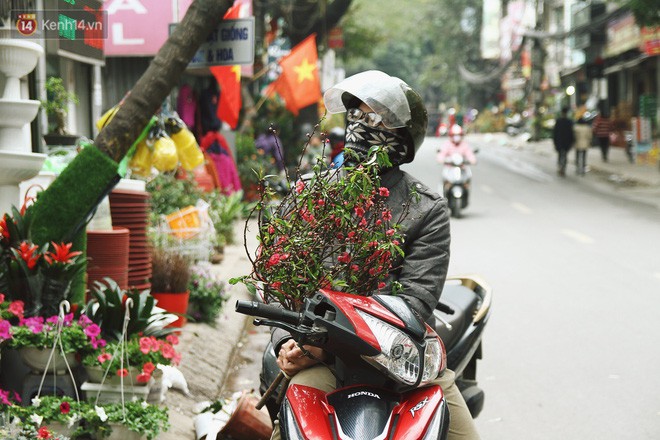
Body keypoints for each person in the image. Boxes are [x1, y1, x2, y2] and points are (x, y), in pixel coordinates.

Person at [268, 70, 479, 439]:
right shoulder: (310, 195)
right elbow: (282, 283)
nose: (360, 127)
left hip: (400, 360)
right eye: (355, 117)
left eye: (375, 119)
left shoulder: (426, 210)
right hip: (322, 359)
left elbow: (415, 302)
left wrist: (332, 342)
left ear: (401, 136)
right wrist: (286, 341)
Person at [552, 107, 575, 177]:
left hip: (560, 141)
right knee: (564, 155)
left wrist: (555, 141)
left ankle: (561, 167)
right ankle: (562, 168)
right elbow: (571, 133)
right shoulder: (569, 122)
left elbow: (555, 133)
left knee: (560, 155)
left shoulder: (559, 121)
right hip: (566, 142)